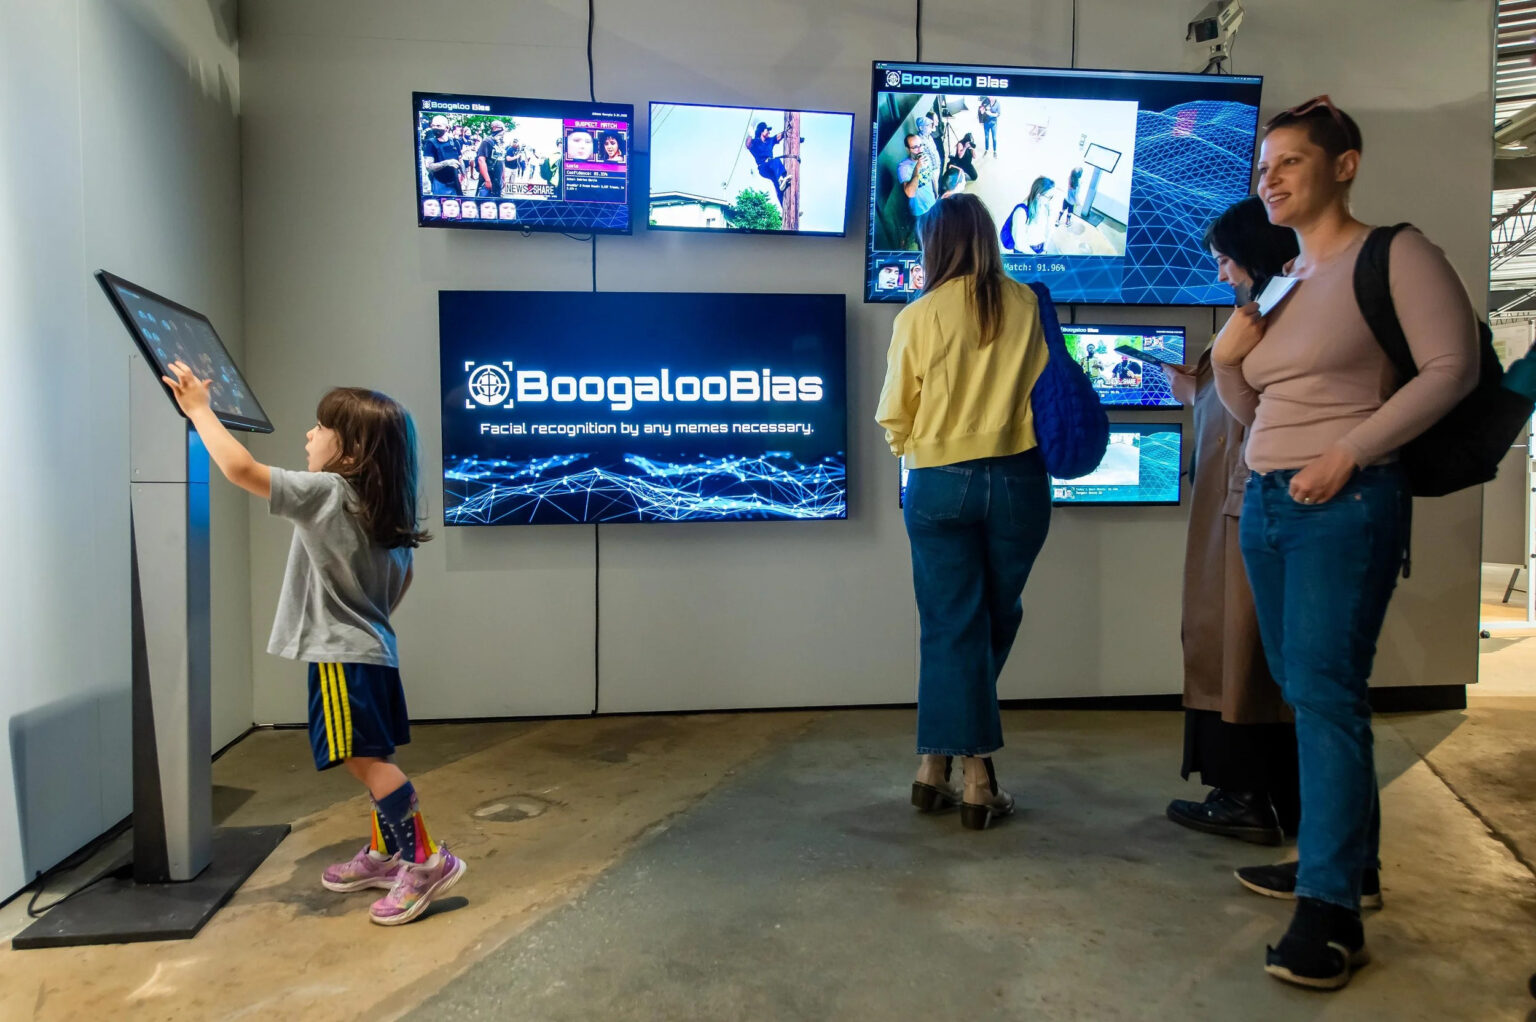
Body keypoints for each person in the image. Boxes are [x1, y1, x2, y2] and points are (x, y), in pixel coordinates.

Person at [1213, 96, 1479, 989]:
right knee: (1307, 691)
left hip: (1346, 502)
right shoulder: (1285, 277)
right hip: (1270, 503)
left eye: (1289, 161)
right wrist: (1227, 361)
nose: (1271, 180)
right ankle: (1348, 866)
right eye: (1263, 169)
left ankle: (1330, 913)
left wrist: (1349, 452)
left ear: (1345, 164)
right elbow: (1254, 407)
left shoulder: (1393, 253)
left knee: (1326, 695)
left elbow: (1451, 369)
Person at [157, 368, 465, 926]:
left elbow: (240, 469)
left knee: (363, 761)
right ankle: (385, 854)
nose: (309, 434)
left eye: (320, 427)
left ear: (350, 450)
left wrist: (199, 409)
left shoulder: (327, 492)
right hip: (374, 651)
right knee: (373, 757)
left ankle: (424, 862)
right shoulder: (385, 512)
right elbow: (401, 584)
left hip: (342, 657)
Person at [876, 193, 1053, 832]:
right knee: (993, 618)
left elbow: (895, 415)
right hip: (1020, 481)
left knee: (952, 626)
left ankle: (940, 766)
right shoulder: (1030, 304)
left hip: (937, 482)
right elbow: (1051, 395)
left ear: (935, 247)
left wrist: (921, 450)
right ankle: (971, 775)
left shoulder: (918, 315)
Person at [1163, 195, 1304, 850]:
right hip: (1234, 506)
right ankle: (1257, 795)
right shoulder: (1262, 311)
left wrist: (1215, 376)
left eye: (1225, 260)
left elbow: (1268, 411)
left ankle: (1248, 797)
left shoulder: (1280, 315)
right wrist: (1197, 389)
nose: (1220, 273)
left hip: (1248, 510)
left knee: (1241, 651)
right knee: (1232, 647)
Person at [999, 176, 1057, 255]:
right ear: (1038, 196)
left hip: (1040, 250)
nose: (1050, 201)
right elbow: (1020, 244)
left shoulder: (1045, 208)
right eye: (1049, 197)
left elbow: (1049, 230)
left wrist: (1044, 250)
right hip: (1024, 254)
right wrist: (1036, 257)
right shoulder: (1021, 212)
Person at [746, 121, 794, 201]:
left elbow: (779, 136)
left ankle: (785, 204)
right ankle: (781, 179)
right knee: (776, 161)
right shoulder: (755, 142)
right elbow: (748, 144)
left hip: (772, 168)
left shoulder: (769, 141)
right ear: (761, 131)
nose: (769, 132)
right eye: (767, 130)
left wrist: (788, 129)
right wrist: (750, 131)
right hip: (763, 168)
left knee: (778, 188)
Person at [898, 133, 939, 218]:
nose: (920, 150)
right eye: (915, 147)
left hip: (932, 203)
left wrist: (936, 193)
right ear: (908, 149)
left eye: (921, 145)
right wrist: (917, 167)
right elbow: (910, 193)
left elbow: (932, 176)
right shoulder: (903, 167)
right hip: (920, 212)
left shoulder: (926, 157)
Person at [421, 115, 464, 196]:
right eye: (433, 125)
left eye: (438, 126)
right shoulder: (430, 143)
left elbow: (460, 159)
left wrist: (463, 174)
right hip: (440, 183)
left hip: (455, 182)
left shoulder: (455, 142)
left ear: (447, 128)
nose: (435, 128)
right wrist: (447, 163)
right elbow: (429, 167)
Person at [475, 120, 509, 198]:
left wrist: (503, 178)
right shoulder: (487, 141)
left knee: (496, 201)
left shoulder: (500, 144)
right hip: (488, 179)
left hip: (498, 179)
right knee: (483, 201)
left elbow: (502, 161)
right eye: (502, 129)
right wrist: (487, 180)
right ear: (494, 128)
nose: (503, 132)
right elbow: (481, 160)